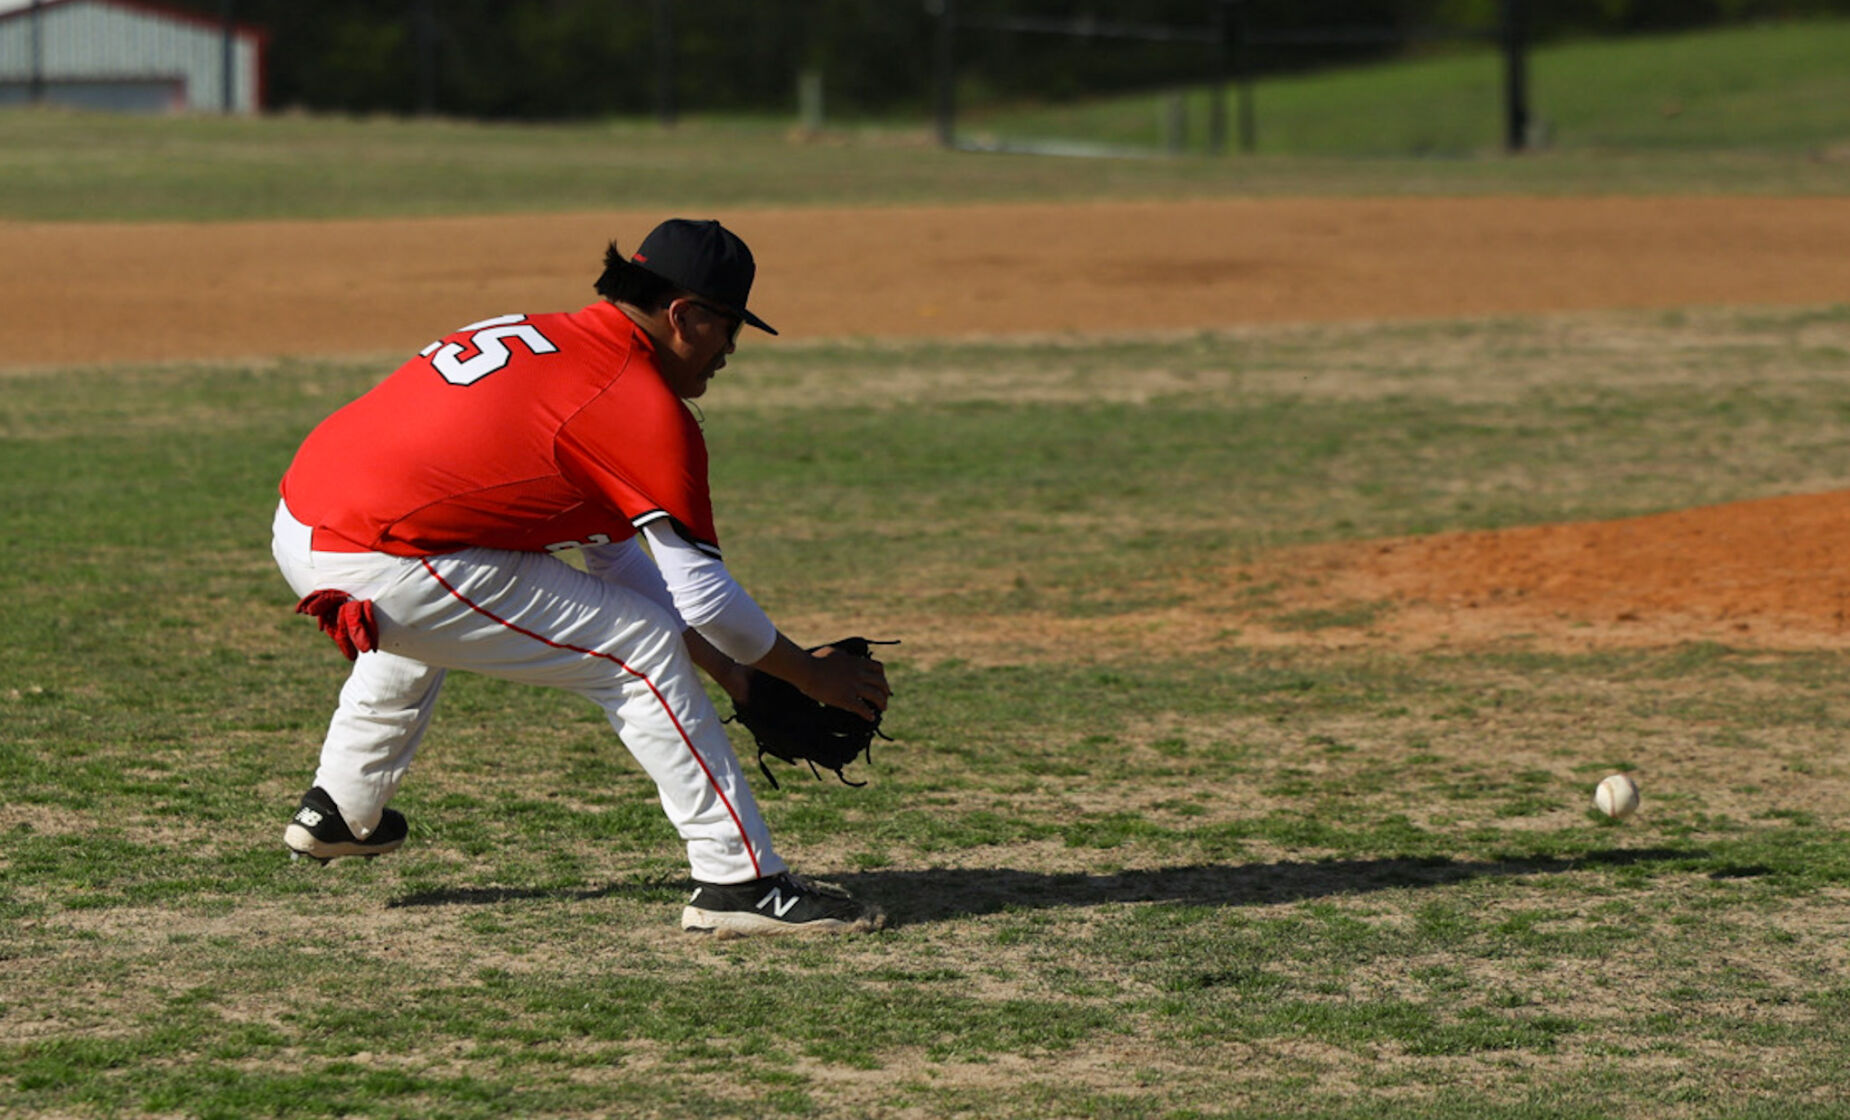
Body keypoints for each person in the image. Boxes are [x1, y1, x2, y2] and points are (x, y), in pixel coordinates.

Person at [269, 218, 891, 937]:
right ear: (684, 315)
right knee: (640, 646)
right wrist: (808, 676)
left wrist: (736, 675)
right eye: (729, 327)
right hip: (381, 556)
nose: (729, 350)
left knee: (446, 615)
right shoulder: (634, 401)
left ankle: (341, 808)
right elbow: (704, 598)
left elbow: (616, 560)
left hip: (313, 522)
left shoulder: (555, 339)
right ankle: (739, 880)